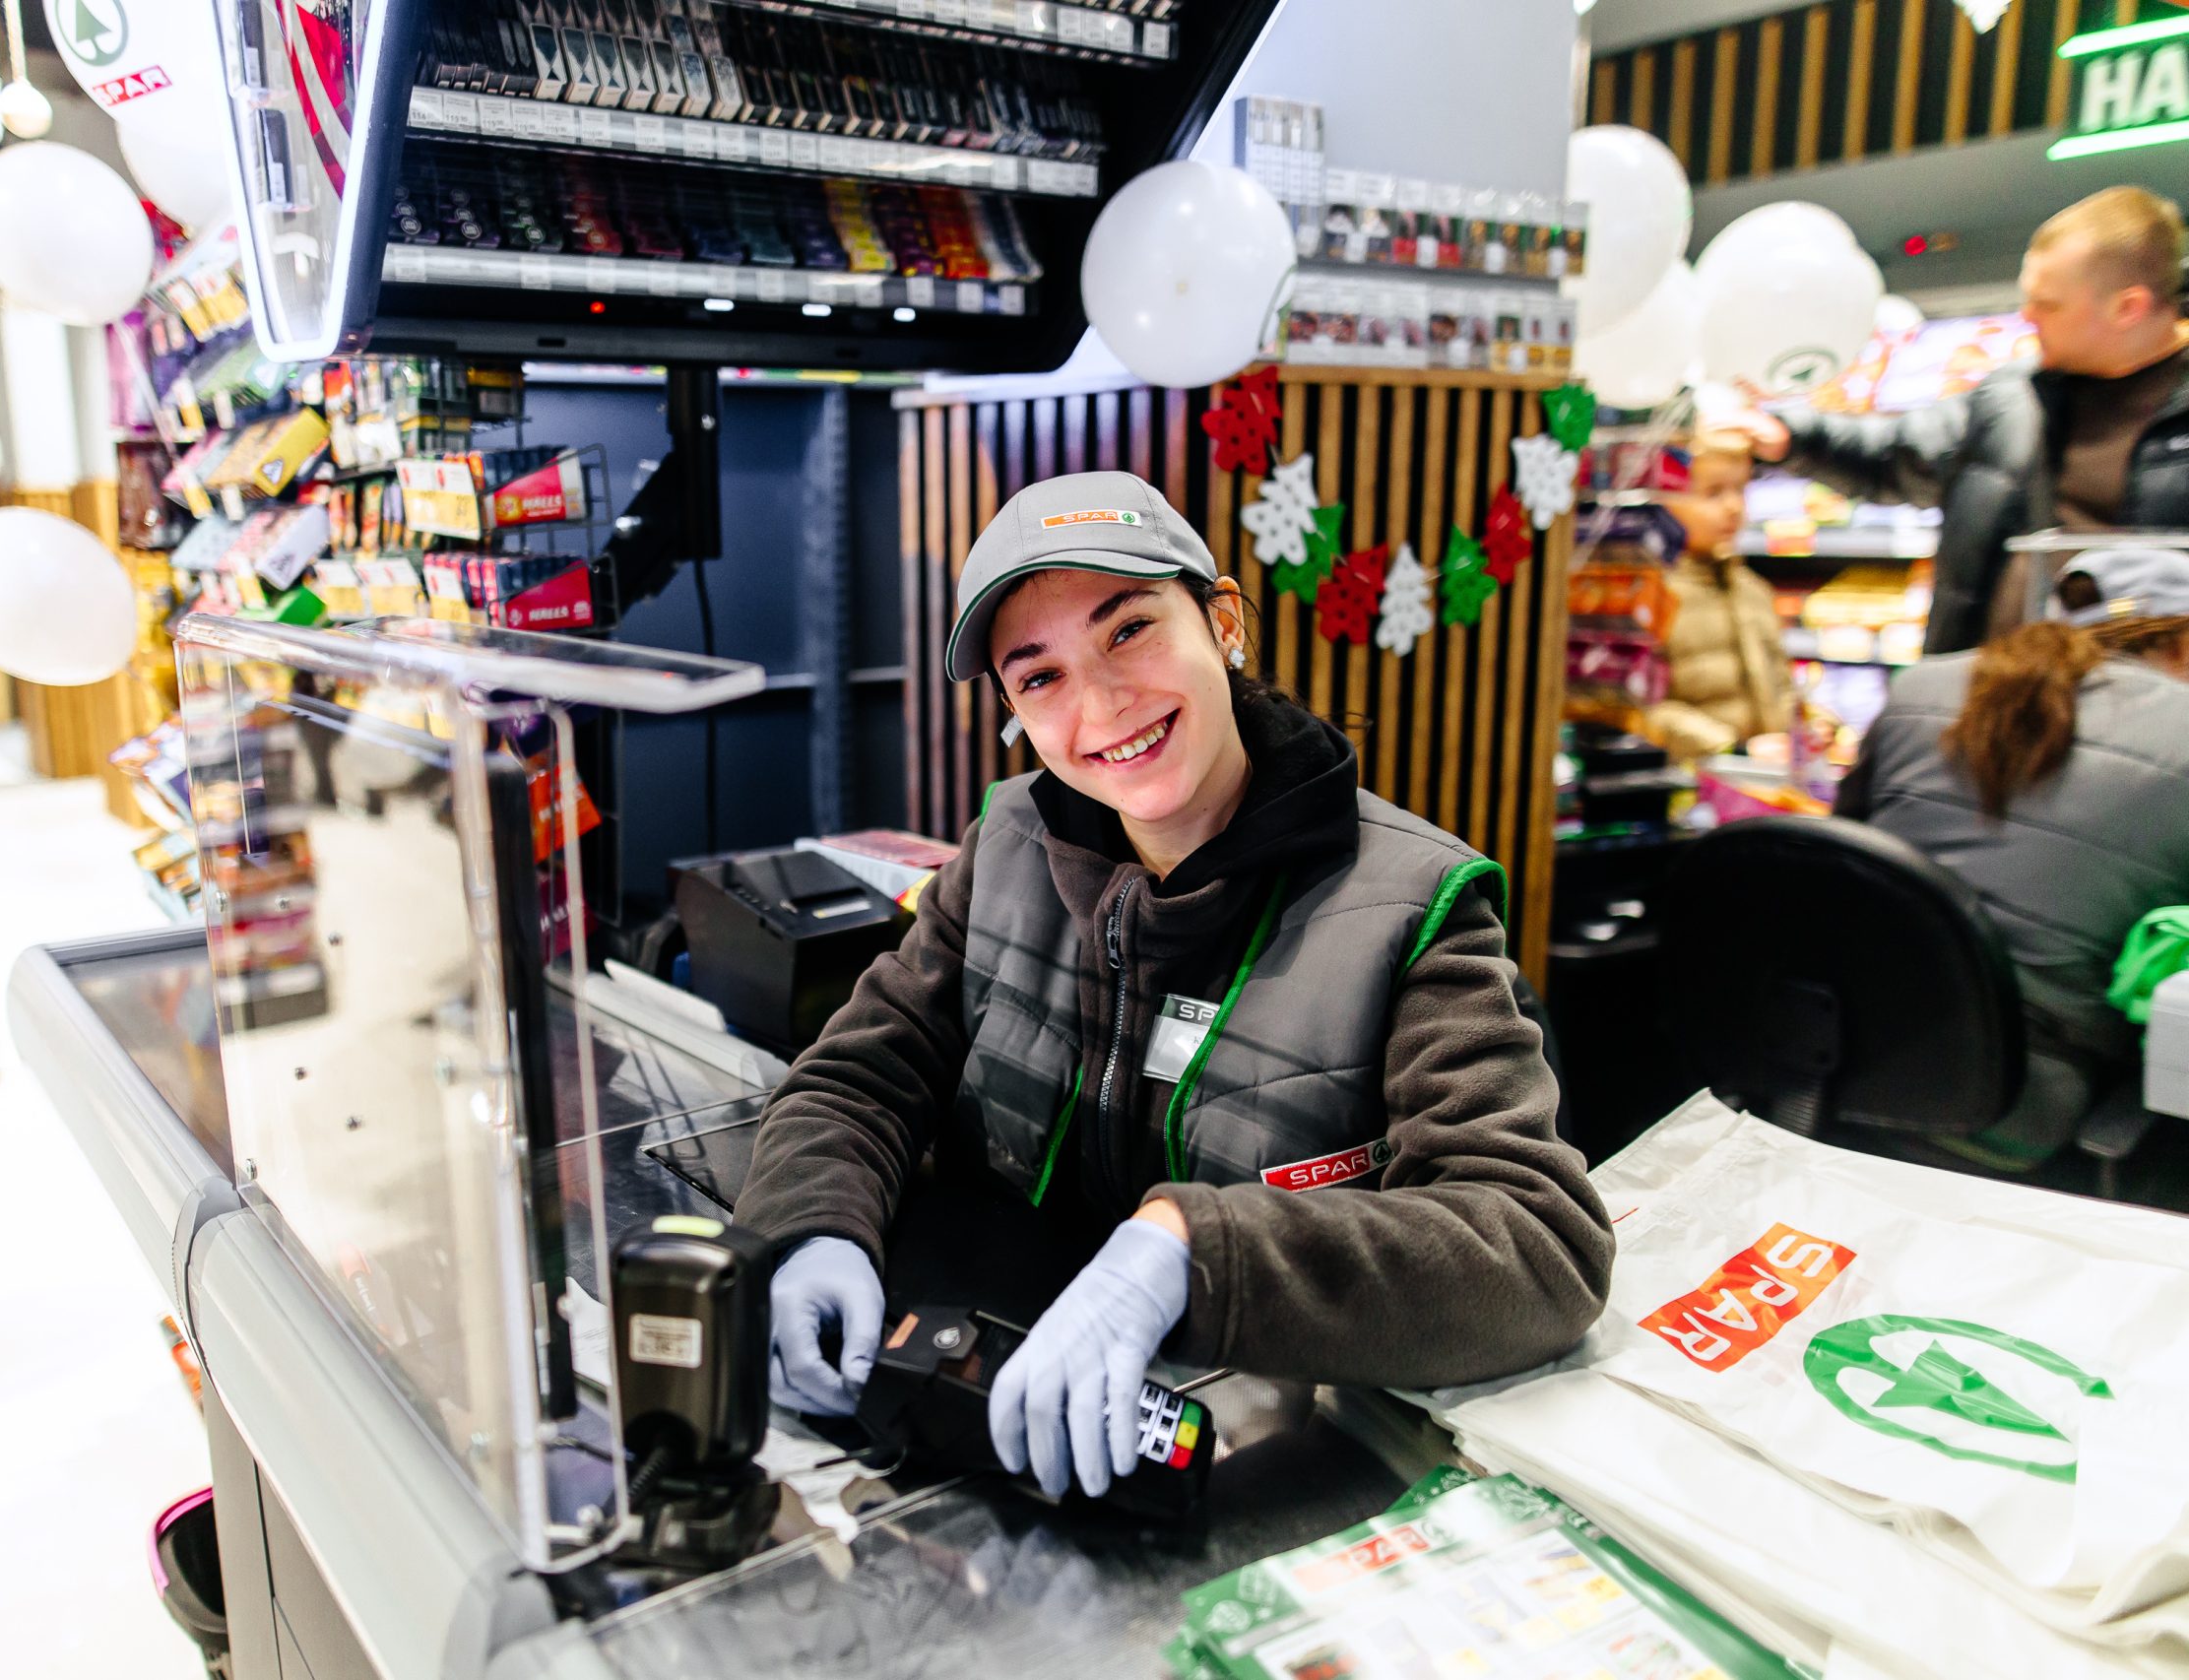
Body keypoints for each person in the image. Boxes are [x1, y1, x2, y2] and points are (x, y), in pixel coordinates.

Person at [732, 470, 1613, 1501]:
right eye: (1040, 676)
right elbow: (857, 1080)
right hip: (996, 1428)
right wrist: (810, 1226)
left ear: (1223, 621)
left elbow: (1537, 1248)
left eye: (1129, 630)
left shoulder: (1414, 904)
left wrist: (1188, 1254)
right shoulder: (1005, 846)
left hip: (1266, 1471)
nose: (1101, 704)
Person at [1835, 547, 2189, 1166]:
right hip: (2029, 1095)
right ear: (2181, 641)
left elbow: (1842, 852)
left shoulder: (1922, 685)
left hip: (1850, 1050)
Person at [1729, 187, 2189, 657]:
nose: (2026, 317)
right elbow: (1896, 452)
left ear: (2128, 308)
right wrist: (1790, 437)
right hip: (1991, 686)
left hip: (2138, 695)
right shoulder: (2012, 398)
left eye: (2049, 305)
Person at [1642, 430, 1796, 762]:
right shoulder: (1650, 594)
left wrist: (1804, 726)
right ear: (1665, 501)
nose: (1734, 507)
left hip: (1761, 779)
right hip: (1690, 779)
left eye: (1740, 489)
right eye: (1713, 493)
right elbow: (1641, 708)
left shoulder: (1753, 589)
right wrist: (1734, 749)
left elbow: (1781, 685)